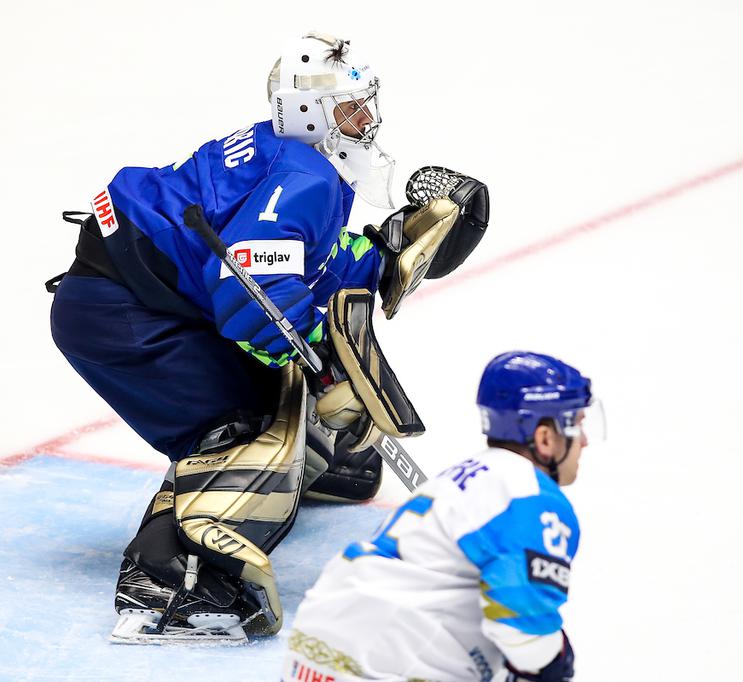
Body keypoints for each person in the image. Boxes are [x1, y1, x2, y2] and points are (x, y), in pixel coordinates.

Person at [46, 32, 489, 642]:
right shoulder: (304, 175)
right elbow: (252, 287)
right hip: (123, 315)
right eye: (352, 110)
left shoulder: (297, 162)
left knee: (287, 394)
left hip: (137, 298)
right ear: (310, 112)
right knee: (246, 426)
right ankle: (172, 581)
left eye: (367, 105)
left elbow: (306, 261)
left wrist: (384, 255)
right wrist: (323, 363)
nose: (368, 121)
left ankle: (305, 467)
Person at [283, 351, 600, 681]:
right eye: (576, 426)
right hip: (382, 663)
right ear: (545, 437)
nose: (586, 442)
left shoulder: (458, 478)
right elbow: (521, 627)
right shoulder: (531, 497)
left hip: (312, 649)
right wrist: (553, 661)